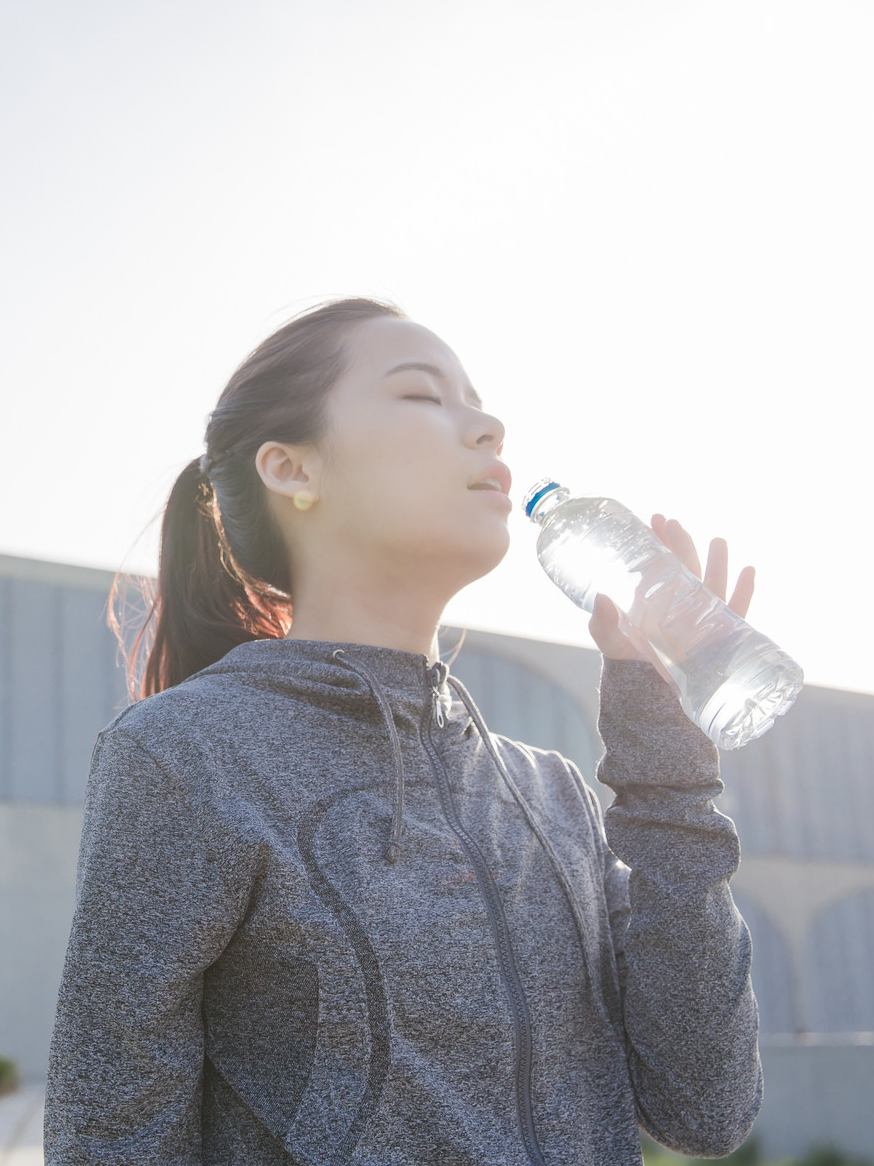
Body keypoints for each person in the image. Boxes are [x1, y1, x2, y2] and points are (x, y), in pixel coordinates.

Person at [44, 298, 762, 1165]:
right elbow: (111, 1133)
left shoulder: (549, 793)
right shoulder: (187, 754)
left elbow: (705, 1108)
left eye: (480, 402)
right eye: (424, 396)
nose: (489, 426)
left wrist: (670, 756)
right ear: (290, 468)